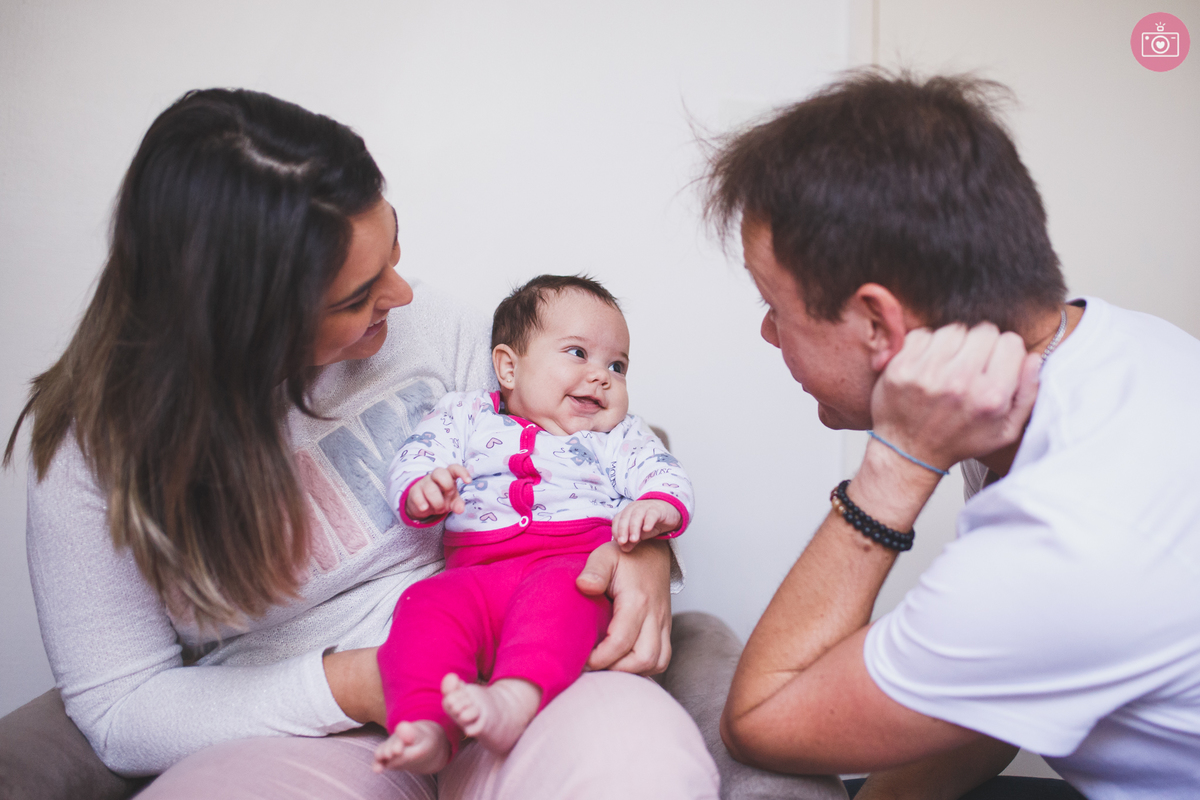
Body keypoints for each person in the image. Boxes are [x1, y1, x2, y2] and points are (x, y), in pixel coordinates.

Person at [5, 88, 719, 799]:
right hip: (296, 734)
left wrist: (645, 552)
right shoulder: (89, 455)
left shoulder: (424, 327)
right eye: (354, 299)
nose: (402, 295)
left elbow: (589, 441)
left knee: (636, 769)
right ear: (239, 325)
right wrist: (356, 685)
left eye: (393, 252)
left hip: (513, 661)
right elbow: (121, 707)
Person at [704, 71, 1200, 799]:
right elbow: (1003, 685)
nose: (767, 332)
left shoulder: (1070, 530)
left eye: (775, 305)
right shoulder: (1105, 351)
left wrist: (897, 466)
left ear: (879, 323)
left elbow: (759, 717)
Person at [374, 274, 694, 772]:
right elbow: (420, 453)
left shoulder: (616, 435)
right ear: (508, 366)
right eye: (577, 353)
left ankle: (514, 700)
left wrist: (658, 505)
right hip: (474, 576)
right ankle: (424, 725)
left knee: (565, 600)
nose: (602, 376)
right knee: (424, 606)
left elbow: (661, 471)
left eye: (618, 365)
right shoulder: (465, 413)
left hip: (570, 566)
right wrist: (421, 488)